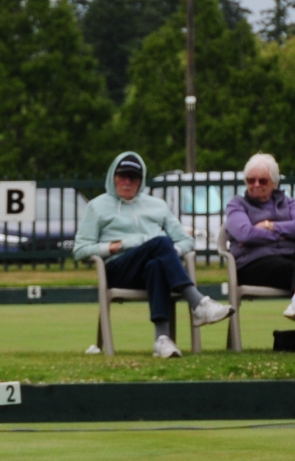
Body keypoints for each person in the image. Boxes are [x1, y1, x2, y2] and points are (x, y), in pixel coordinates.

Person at [73, 151, 232, 358]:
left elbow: (186, 241)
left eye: (133, 177)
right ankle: (198, 303)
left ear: (141, 181)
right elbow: (80, 249)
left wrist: (170, 254)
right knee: (161, 242)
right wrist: (114, 246)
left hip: (151, 268)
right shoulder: (97, 206)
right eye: (122, 176)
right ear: (113, 176)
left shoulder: (157, 205)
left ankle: (162, 339)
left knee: (156, 264)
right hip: (119, 268)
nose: (127, 182)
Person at [225, 152, 295, 356]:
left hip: (288, 259)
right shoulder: (237, 205)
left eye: (262, 180)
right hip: (254, 263)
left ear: (274, 183)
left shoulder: (289, 202)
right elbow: (244, 233)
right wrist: (285, 234)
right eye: (251, 180)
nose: (256, 184)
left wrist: (270, 226)